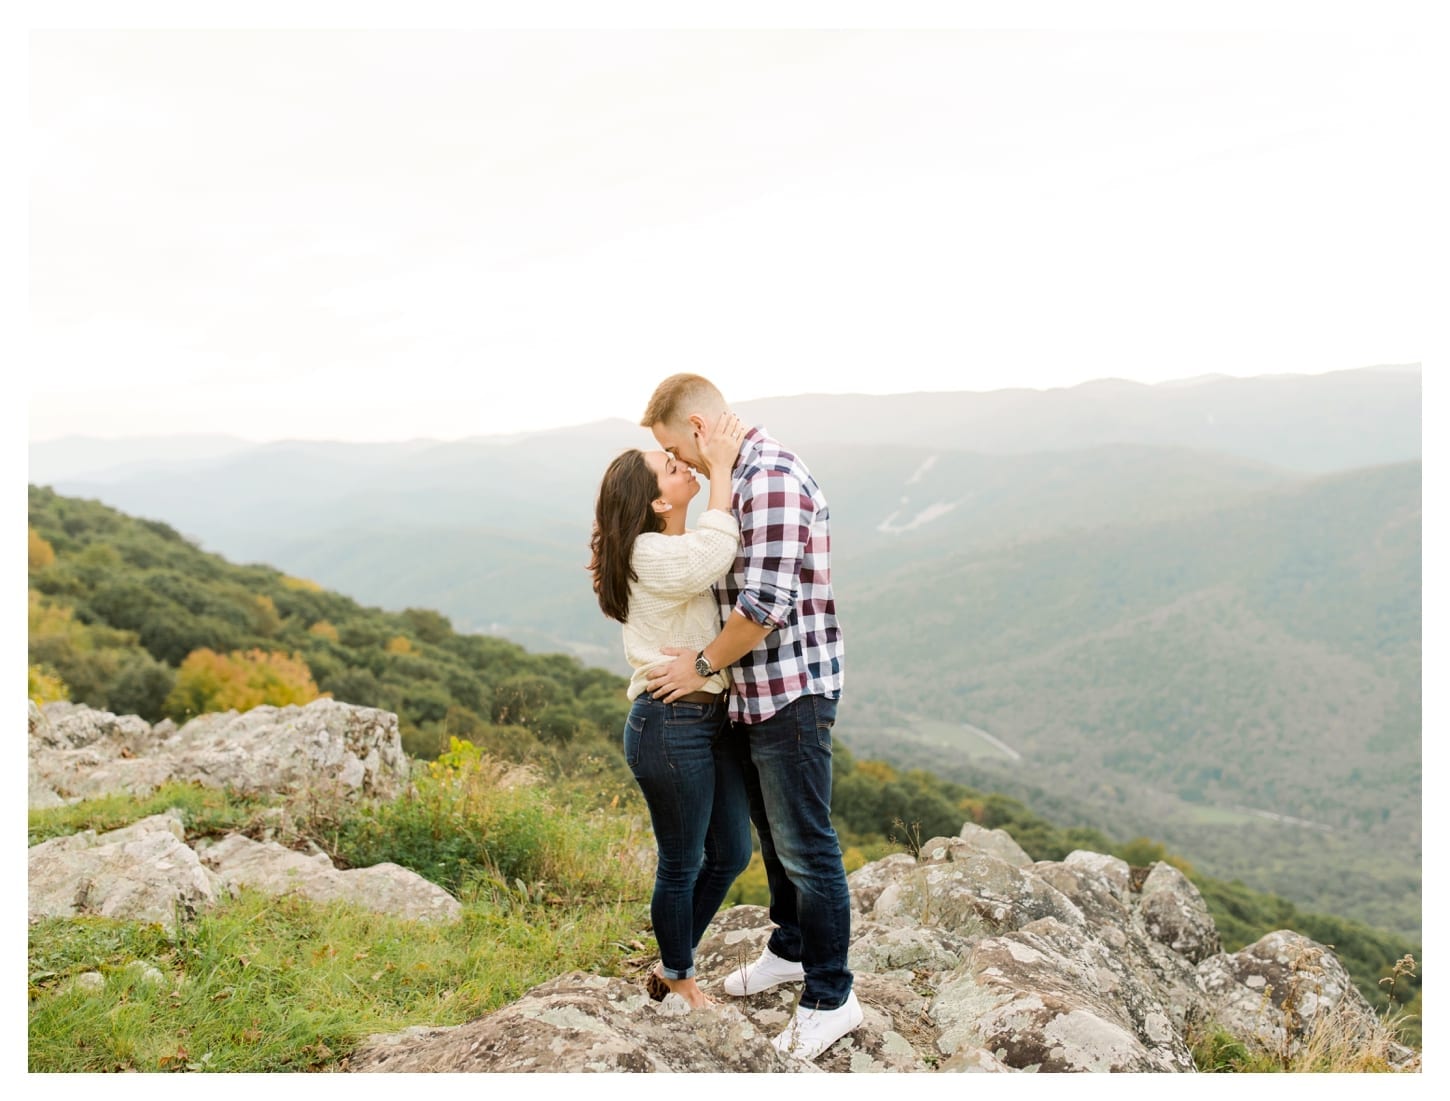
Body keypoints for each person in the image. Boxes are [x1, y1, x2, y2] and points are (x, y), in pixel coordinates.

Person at [640, 374, 862, 1061]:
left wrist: (699, 666)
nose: (678, 462)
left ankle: (831, 996)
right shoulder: (736, 478)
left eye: (678, 448)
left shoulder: (768, 479)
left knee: (806, 844)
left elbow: (762, 606)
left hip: (791, 691)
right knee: (774, 838)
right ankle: (791, 948)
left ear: (700, 429)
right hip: (757, 693)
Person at [588, 410, 753, 1010]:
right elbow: (716, 551)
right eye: (670, 465)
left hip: (707, 718)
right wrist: (723, 470)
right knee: (682, 860)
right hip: (668, 725)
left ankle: (670, 958)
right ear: (658, 503)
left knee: (733, 852)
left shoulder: (664, 546)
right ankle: (678, 978)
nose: (681, 463)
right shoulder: (648, 553)